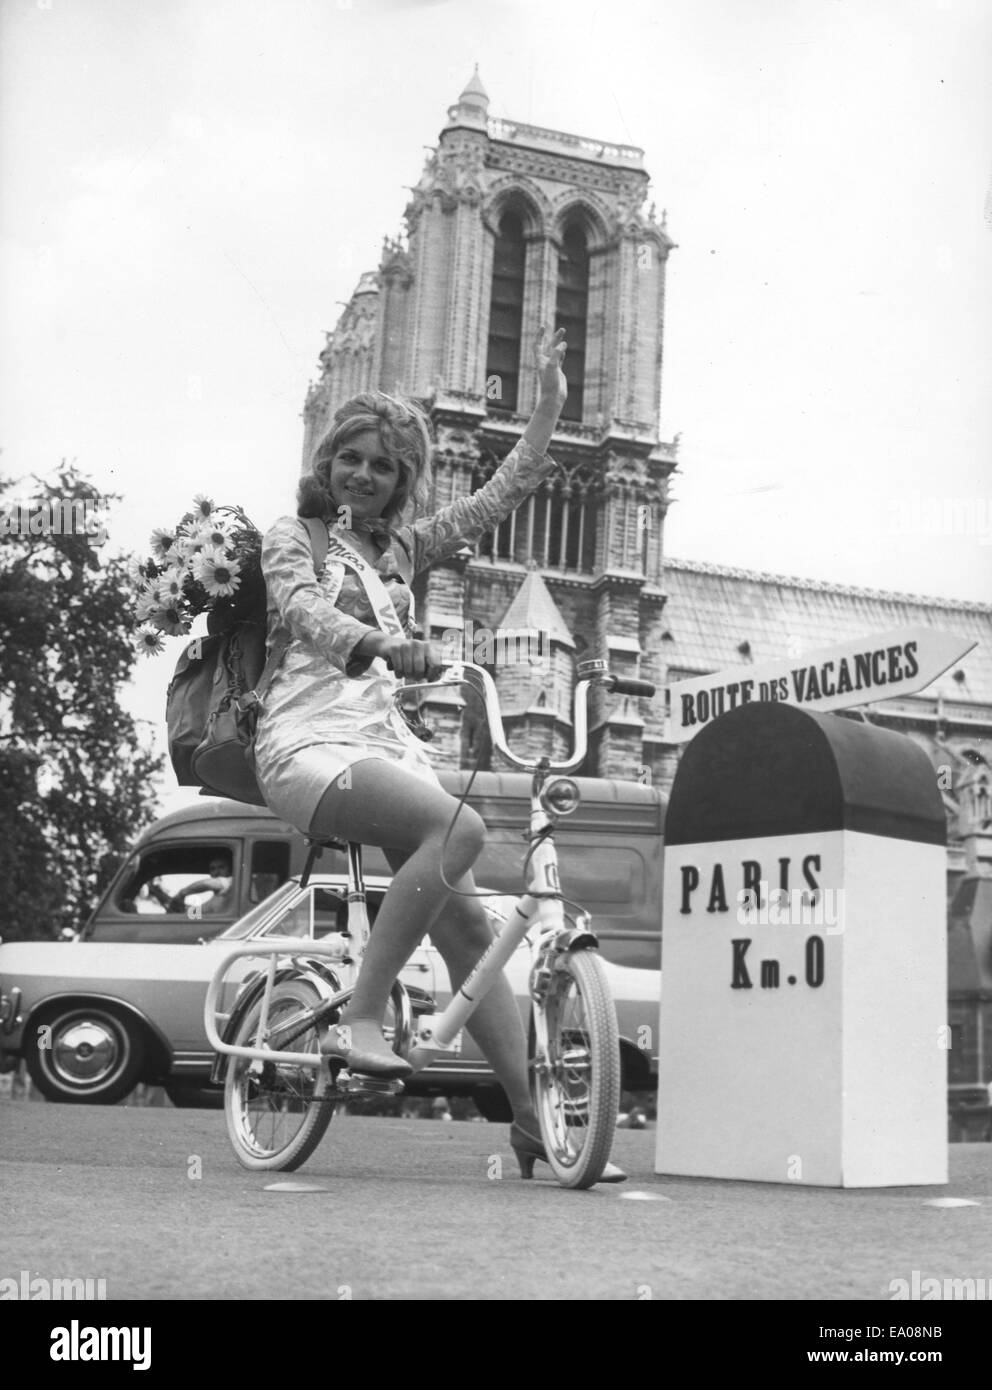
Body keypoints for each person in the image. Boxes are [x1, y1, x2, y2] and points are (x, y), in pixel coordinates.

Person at [252, 326, 624, 1182]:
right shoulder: (294, 536)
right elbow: (306, 614)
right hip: (307, 740)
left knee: (467, 924)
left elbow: (501, 494)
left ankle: (533, 1123)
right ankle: (365, 1015)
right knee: (455, 830)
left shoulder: (405, 549)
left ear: (403, 480)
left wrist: (550, 409)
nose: (365, 477)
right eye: (352, 458)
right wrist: (383, 645)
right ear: (328, 460)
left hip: (385, 746)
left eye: (384, 466)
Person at [167, 853, 235, 916]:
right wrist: (180, 910)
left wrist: (181, 894)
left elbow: (205, 884)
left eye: (221, 867)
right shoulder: (216, 897)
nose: (217, 872)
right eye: (213, 869)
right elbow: (200, 912)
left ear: (230, 869)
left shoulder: (231, 882)